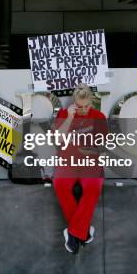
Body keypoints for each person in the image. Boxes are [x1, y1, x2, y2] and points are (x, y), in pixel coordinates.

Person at [52, 83, 108, 255]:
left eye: (87, 106)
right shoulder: (64, 113)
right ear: (74, 102)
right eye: (79, 106)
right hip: (67, 161)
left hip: (90, 162)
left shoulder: (98, 116)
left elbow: (103, 145)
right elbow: (57, 140)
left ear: (91, 102)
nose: (83, 110)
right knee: (60, 184)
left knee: (93, 186)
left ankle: (73, 232)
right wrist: (69, 118)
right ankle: (82, 233)